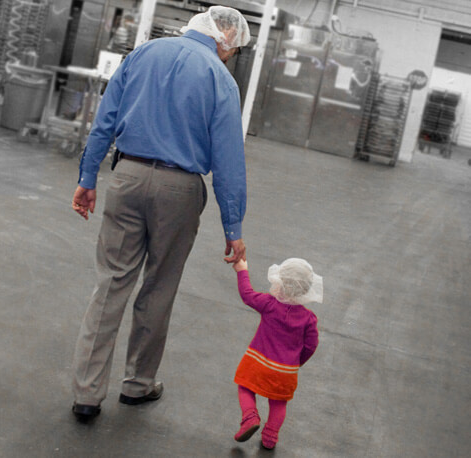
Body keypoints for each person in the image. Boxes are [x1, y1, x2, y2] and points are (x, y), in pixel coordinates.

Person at [70, 6, 250, 422]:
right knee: (159, 286)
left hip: (127, 177)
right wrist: (233, 226)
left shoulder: (142, 54)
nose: (230, 56)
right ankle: (137, 384)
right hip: (181, 189)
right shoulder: (221, 79)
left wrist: (87, 177)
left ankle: (86, 393)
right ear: (225, 40)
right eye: (234, 50)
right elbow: (228, 161)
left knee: (110, 284)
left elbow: (105, 121)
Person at [232, 257, 323, 449]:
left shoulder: (269, 304)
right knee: (279, 403)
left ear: (279, 284)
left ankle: (250, 417)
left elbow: (247, 294)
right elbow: (311, 345)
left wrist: (242, 270)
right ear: (306, 290)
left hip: (258, 362)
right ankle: (270, 437)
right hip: (286, 371)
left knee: (245, 387)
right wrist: (296, 363)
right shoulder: (309, 319)